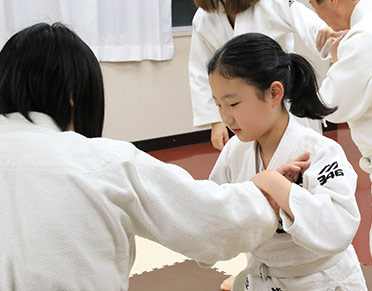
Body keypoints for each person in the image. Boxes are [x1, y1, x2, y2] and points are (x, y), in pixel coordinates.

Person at [0, 22, 312, 291]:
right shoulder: (102, 163)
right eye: (220, 106)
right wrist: (265, 192)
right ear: (73, 97)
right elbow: (207, 220)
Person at [207, 33, 366, 290]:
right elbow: (213, 215)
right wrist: (254, 191)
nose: (226, 117)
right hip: (264, 278)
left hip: (321, 282)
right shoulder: (234, 152)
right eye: (218, 105)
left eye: (233, 103)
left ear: (274, 93)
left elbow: (338, 229)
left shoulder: (321, 152)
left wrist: (276, 186)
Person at [189, 0, 337, 151]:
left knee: (301, 154)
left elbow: (312, 25)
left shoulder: (272, 3)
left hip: (281, 101)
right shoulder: (204, 18)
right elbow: (199, 71)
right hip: (243, 110)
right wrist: (215, 122)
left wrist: (327, 35)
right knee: (253, 160)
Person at [309, 0, 372, 259]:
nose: (319, 17)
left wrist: (337, 60)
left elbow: (330, 104)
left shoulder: (362, 38)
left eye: (315, 7)